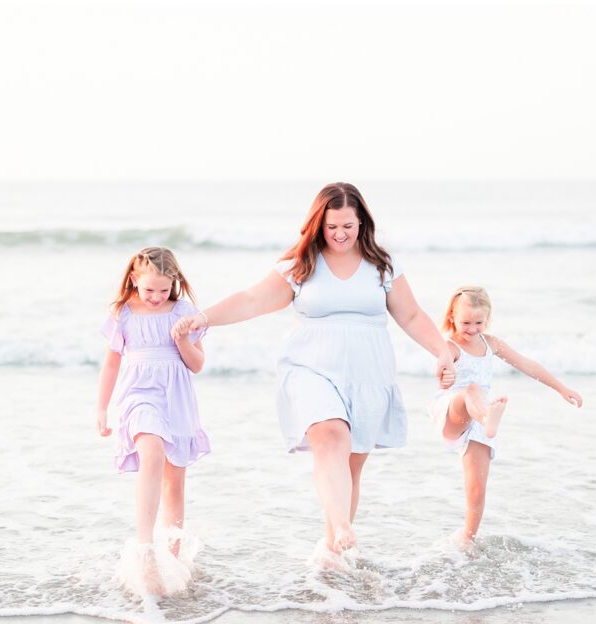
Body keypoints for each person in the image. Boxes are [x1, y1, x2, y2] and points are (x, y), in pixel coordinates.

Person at [172, 182, 454, 555]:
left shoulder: (382, 266)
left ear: (362, 224)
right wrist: (202, 317)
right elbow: (252, 299)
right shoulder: (301, 265)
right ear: (318, 224)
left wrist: (442, 352)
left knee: (351, 466)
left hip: (368, 373)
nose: (339, 234)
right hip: (310, 367)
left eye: (347, 227)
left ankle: (333, 554)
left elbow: (412, 315)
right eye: (331, 226)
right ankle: (340, 527)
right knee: (330, 436)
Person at [96, 246, 210, 594]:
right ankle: (145, 546)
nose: (157, 297)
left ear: (174, 282)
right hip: (138, 394)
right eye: (149, 290)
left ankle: (172, 557)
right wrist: (101, 408)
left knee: (174, 482)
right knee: (152, 453)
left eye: (164, 290)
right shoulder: (123, 314)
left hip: (176, 399)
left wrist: (182, 340)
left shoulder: (186, 313)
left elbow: (197, 364)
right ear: (134, 279)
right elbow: (112, 363)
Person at [430, 286, 582, 542]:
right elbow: (443, 363)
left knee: (477, 490)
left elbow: (527, 364)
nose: (472, 328)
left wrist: (561, 388)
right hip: (453, 413)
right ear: (452, 317)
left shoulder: (492, 344)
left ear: (487, 319)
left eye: (479, 322)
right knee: (472, 389)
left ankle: (468, 539)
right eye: (466, 322)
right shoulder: (451, 346)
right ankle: (488, 418)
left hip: (481, 421)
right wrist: (445, 373)